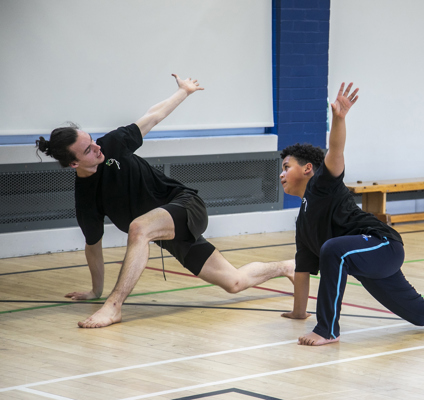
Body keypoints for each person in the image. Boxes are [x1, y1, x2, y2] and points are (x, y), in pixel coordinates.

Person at [36, 74, 294, 328]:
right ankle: (287, 267)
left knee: (139, 228)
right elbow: (93, 246)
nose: (97, 147)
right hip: (166, 232)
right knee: (234, 282)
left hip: (185, 205)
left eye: (91, 140)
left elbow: (152, 116)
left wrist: (184, 91)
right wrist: (95, 290)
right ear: (73, 164)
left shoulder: (113, 144)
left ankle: (114, 308)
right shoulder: (86, 198)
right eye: (88, 149)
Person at [279, 82, 424, 346]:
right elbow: (303, 269)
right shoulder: (303, 223)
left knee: (333, 249)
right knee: (420, 314)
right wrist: (299, 312)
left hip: (382, 245)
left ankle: (328, 329)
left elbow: (335, 151)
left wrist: (339, 118)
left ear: (308, 168)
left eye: (286, 167)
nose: (281, 174)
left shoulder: (322, 184)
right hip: (365, 261)